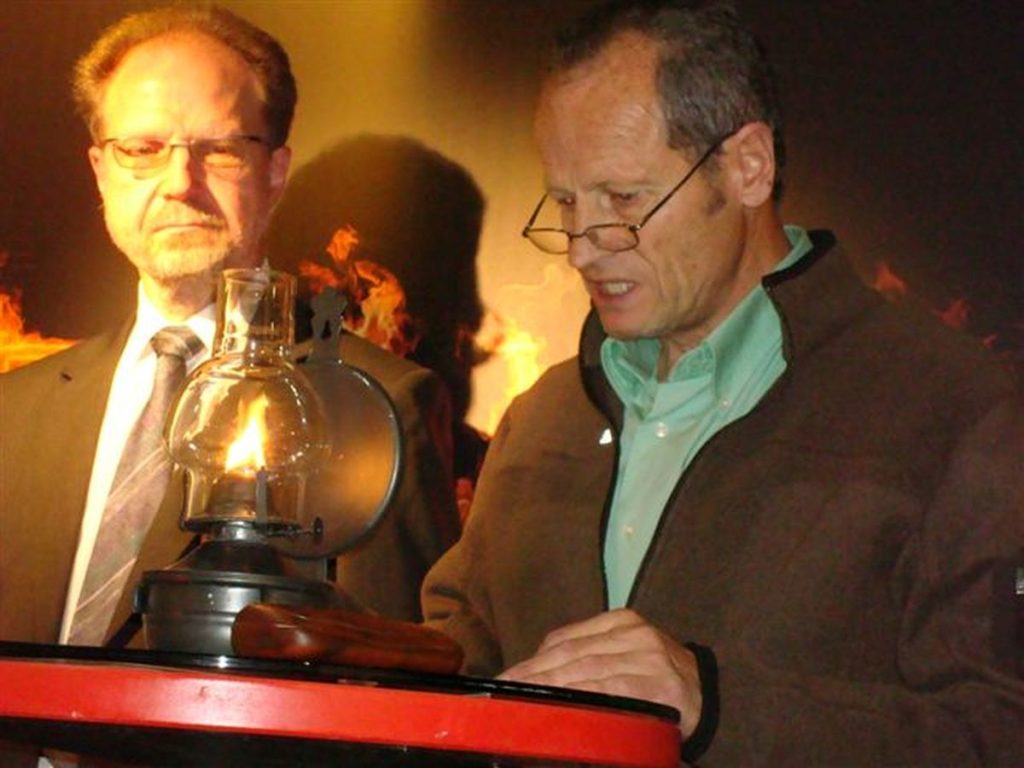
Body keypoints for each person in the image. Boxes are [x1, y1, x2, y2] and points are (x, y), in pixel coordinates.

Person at [422, 1, 1024, 764]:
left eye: (625, 201)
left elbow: (999, 729)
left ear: (749, 167)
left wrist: (714, 704)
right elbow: (456, 657)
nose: (582, 249)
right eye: (567, 203)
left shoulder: (957, 409)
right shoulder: (544, 418)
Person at [0, 4, 459, 654]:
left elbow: (392, 690)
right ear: (101, 171)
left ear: (274, 173)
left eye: (218, 151)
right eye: (142, 150)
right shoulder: (13, 414)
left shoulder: (371, 407)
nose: (180, 183)